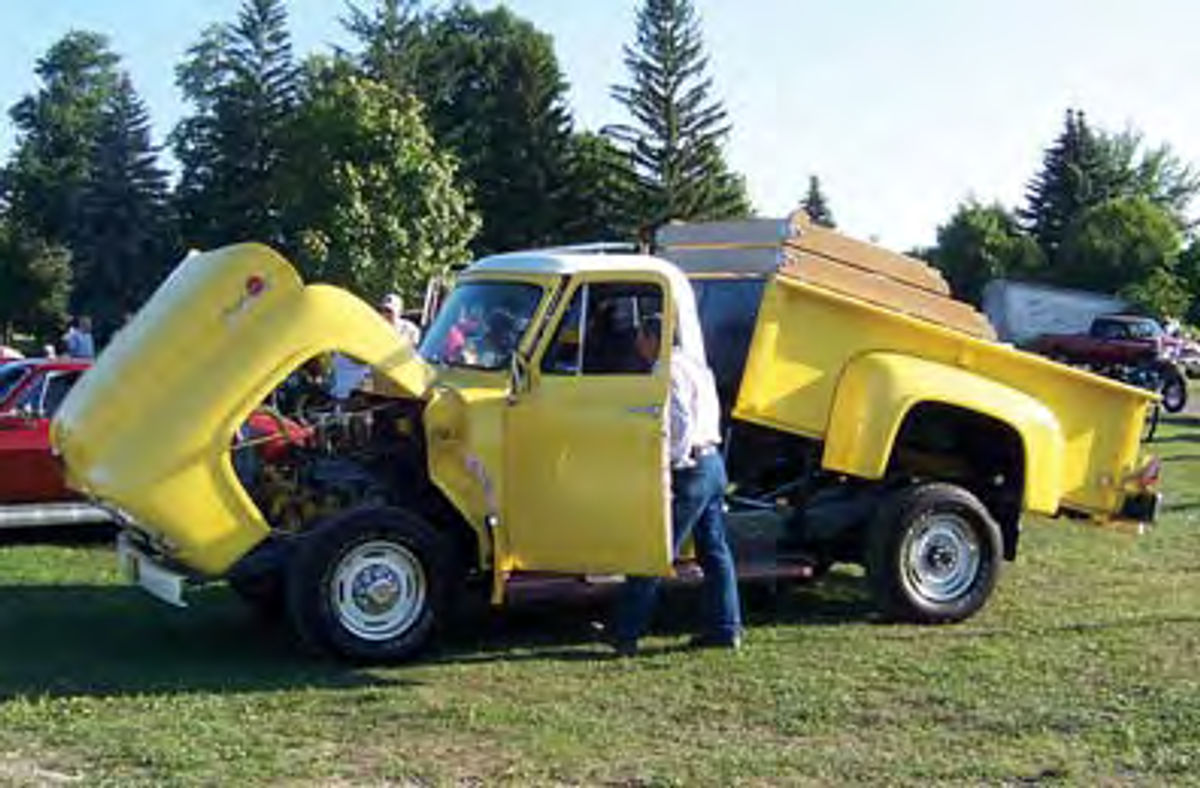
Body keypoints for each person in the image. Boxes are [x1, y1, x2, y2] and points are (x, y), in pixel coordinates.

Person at [612, 314, 743, 655]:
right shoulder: (697, 366)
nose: (638, 345)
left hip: (691, 468)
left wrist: (671, 461)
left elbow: (680, 420)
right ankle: (726, 628)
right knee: (715, 552)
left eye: (640, 337)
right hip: (712, 461)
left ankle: (627, 632)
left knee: (654, 548)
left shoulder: (665, 371)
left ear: (653, 338)